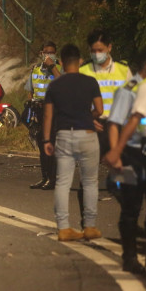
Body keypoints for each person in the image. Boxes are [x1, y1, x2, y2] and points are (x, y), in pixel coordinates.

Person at [104, 46, 146, 280]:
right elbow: (114, 123)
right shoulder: (130, 90)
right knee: (131, 207)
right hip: (131, 153)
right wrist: (116, 154)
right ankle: (130, 257)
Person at [43, 44, 103, 242]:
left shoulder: (55, 85)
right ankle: (90, 227)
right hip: (87, 134)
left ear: (61, 62)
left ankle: (63, 228)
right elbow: (100, 110)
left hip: (64, 136)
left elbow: (48, 116)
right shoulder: (90, 82)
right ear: (80, 61)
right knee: (90, 182)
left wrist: (46, 140)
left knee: (62, 183)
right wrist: (88, 116)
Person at [79, 29, 132, 155]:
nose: (97, 54)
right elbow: (76, 102)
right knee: (91, 172)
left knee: (118, 171)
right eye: (93, 51)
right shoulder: (83, 71)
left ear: (109, 47)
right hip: (92, 126)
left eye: (100, 50)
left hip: (117, 127)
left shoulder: (124, 70)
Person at [25, 41, 61, 190]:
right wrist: (31, 103)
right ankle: (44, 177)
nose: (48, 55)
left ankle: (53, 179)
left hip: (54, 111)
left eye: (51, 52)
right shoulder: (35, 70)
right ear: (41, 54)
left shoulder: (59, 68)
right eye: (46, 52)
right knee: (41, 143)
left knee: (50, 143)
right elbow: (30, 89)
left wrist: (52, 66)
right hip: (39, 111)